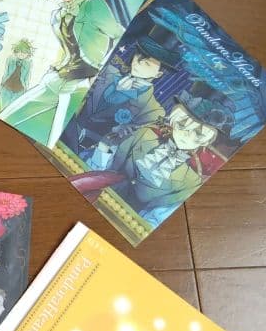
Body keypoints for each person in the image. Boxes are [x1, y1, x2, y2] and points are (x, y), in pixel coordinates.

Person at [0, 0, 124, 146]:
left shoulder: (93, 5)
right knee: (7, 117)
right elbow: (70, 46)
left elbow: (118, 34)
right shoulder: (59, 14)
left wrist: (100, 70)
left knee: (53, 139)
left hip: (79, 82)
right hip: (58, 77)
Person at [73, 85, 231, 226]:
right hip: (90, 195)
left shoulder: (191, 181)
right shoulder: (144, 134)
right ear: (174, 120)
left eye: (198, 134)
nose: (187, 135)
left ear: (207, 140)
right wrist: (104, 149)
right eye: (182, 125)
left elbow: (156, 218)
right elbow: (100, 168)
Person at [65, 30, 179, 165]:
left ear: (158, 74)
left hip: (88, 157)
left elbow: (124, 149)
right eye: (139, 56)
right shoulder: (107, 71)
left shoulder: (153, 111)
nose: (138, 63)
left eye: (147, 63)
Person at [0, 39, 34, 110]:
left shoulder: (28, 63)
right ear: (16, 51)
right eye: (19, 51)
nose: (21, 54)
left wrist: (25, 92)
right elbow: (6, 74)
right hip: (6, 88)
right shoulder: (10, 59)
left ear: (28, 54)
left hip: (19, 90)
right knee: (3, 108)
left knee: (12, 109)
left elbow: (27, 78)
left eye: (24, 52)